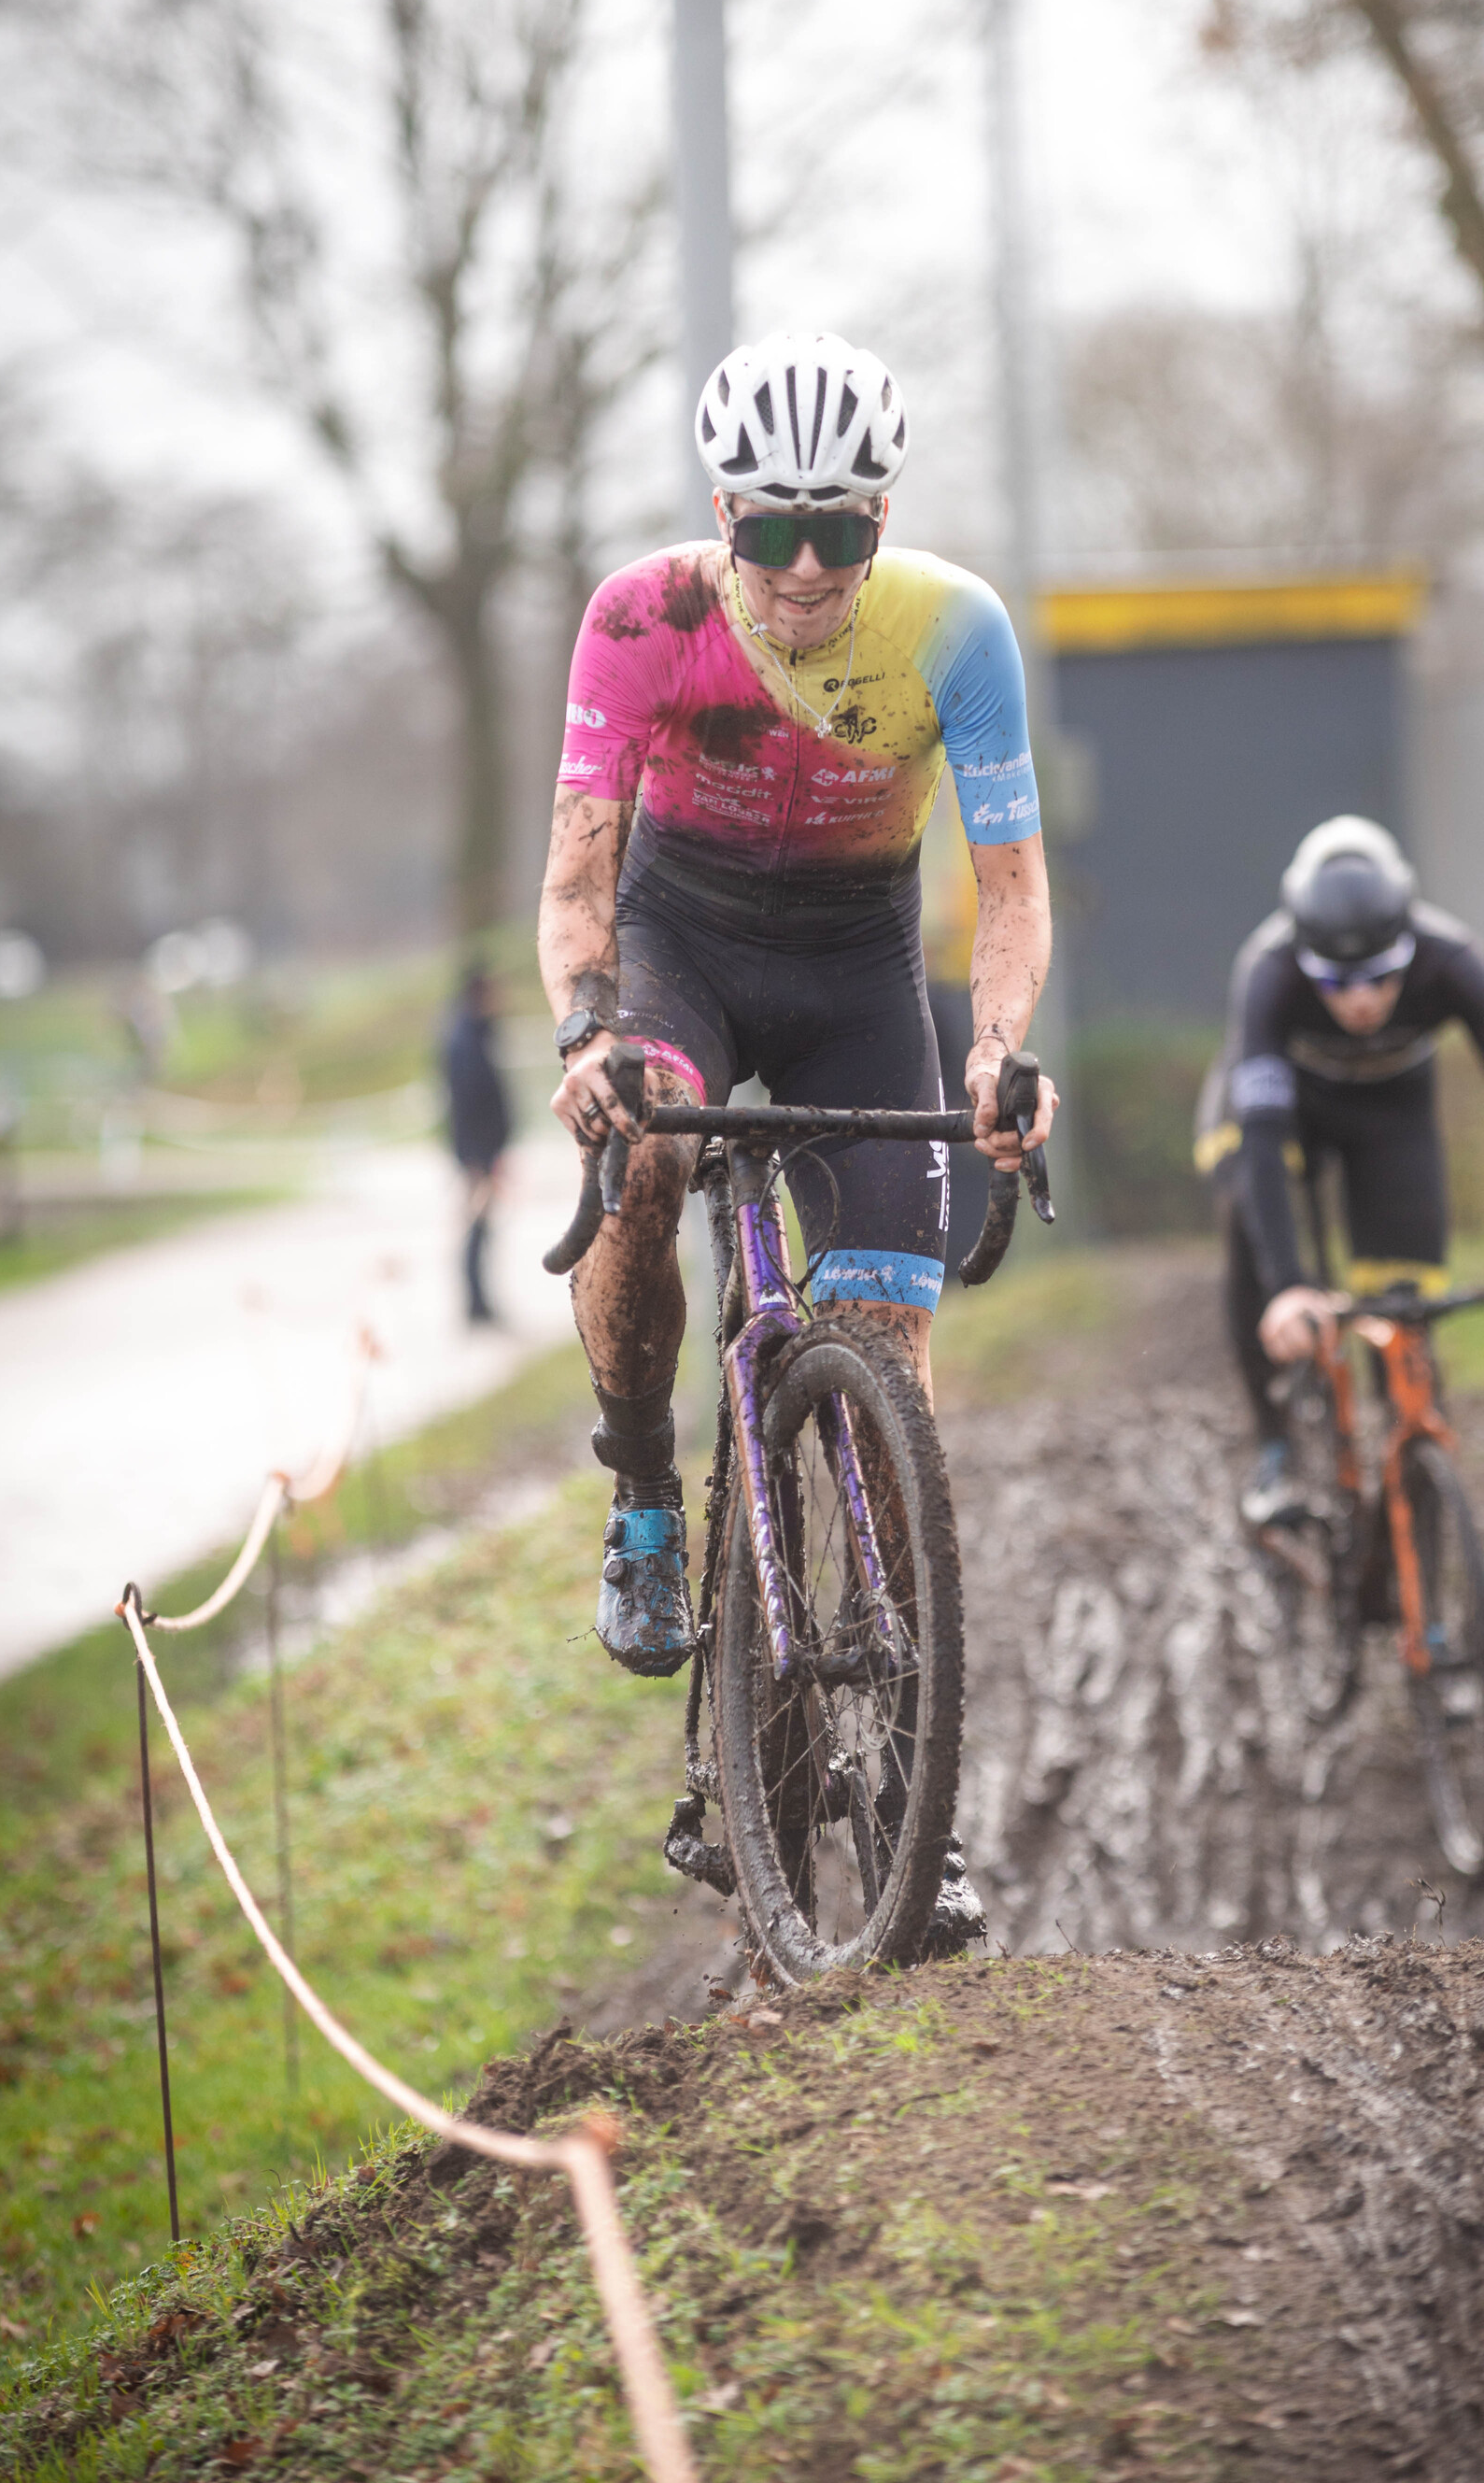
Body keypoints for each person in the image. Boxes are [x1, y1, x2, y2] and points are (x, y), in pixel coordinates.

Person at [536, 333, 1059, 1939]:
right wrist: (589, 1037)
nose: (810, 570)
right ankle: (640, 1486)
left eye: (846, 531)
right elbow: (575, 884)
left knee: (891, 1361)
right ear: (722, 515)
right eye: (773, 532)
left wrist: (994, 1051)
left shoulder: (957, 631)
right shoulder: (644, 616)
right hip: (680, 944)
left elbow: (1016, 889)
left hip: (851, 967)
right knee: (655, 1148)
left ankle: (918, 1796)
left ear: (887, 516)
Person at [1193, 816, 1484, 1522]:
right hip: (1283, 1113)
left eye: (1381, 977)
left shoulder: (1454, 959)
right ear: (1306, 963)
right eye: (1337, 983)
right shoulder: (1269, 972)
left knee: (1405, 1298)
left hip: (1391, 1116)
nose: (1362, 1001)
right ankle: (1275, 1448)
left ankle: (1413, 1451)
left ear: (1409, 949)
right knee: (1250, 1208)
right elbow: (1260, 1133)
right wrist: (1287, 1286)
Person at [440, 965, 512, 1326]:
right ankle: (475, 1304)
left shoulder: (475, 1034)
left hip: (483, 1152)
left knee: (483, 1226)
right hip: (477, 1156)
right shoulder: (464, 1040)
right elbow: (468, 1103)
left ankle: (480, 1301)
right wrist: (478, 1158)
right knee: (475, 1226)